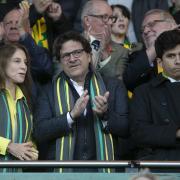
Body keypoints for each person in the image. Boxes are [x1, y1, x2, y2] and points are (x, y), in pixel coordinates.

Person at [34, 31, 128, 172]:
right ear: (60, 62)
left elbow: (126, 129)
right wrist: (70, 116)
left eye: (77, 52)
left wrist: (105, 114)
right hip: (64, 172)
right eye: (66, 55)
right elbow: (40, 132)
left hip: (105, 171)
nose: (72, 59)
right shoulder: (48, 91)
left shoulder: (113, 86)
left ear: (89, 56)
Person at [130, 29, 180, 161]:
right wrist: (176, 133)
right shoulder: (143, 92)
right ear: (160, 62)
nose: (178, 61)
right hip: (159, 166)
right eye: (171, 56)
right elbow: (139, 132)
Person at [0, 43, 38, 172]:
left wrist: (31, 152)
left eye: (25, 62)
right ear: (3, 63)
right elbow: (14, 147)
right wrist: (9, 146)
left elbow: (27, 140)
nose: (24, 67)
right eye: (17, 61)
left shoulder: (25, 101)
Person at [123, 9, 177, 92]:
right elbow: (127, 81)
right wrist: (156, 46)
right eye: (142, 29)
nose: (145, 31)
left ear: (171, 25)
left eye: (152, 24)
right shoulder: (137, 58)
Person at [81, 0, 128, 80]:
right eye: (105, 17)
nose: (110, 23)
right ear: (87, 20)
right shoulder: (67, 45)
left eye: (111, 18)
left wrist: (105, 54)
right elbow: (60, 82)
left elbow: (118, 85)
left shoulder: (121, 51)